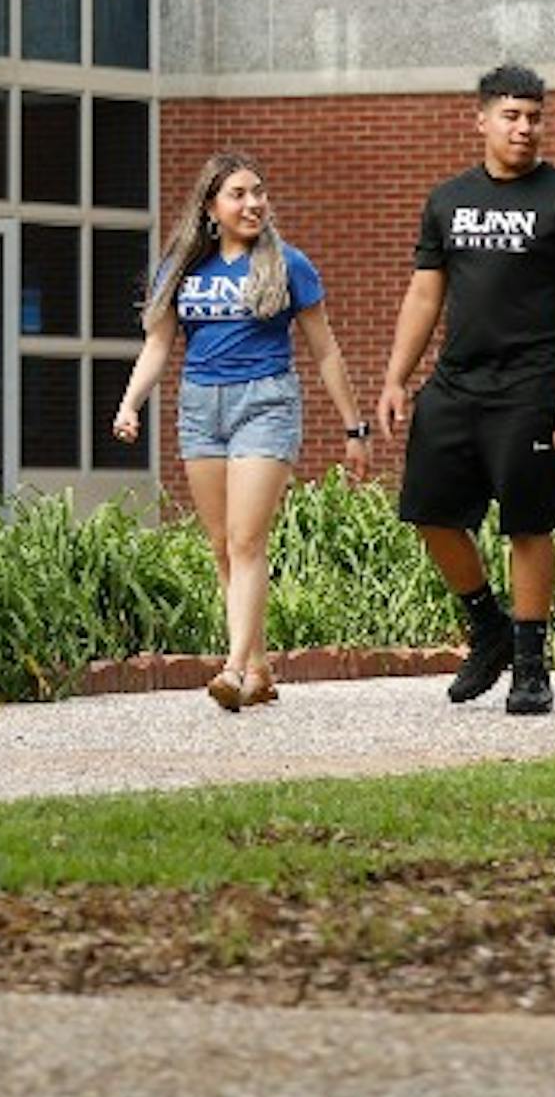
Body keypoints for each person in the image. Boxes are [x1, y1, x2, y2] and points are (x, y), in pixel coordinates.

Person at [376, 62, 555, 717]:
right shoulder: (447, 199)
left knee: (528, 523)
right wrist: (398, 376)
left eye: (534, 116)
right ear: (481, 119)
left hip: (534, 386)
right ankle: (486, 628)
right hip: (457, 383)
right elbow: (426, 291)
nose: (524, 127)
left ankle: (532, 665)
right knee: (430, 511)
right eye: (511, 116)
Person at [113, 150, 373, 710]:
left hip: (267, 402)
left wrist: (355, 427)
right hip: (200, 408)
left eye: (258, 192)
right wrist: (130, 403)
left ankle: (231, 669)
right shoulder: (181, 268)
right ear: (211, 206)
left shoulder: (288, 265)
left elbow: (324, 350)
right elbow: (158, 344)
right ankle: (258, 669)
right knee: (222, 547)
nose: (253, 203)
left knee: (246, 539)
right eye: (239, 194)